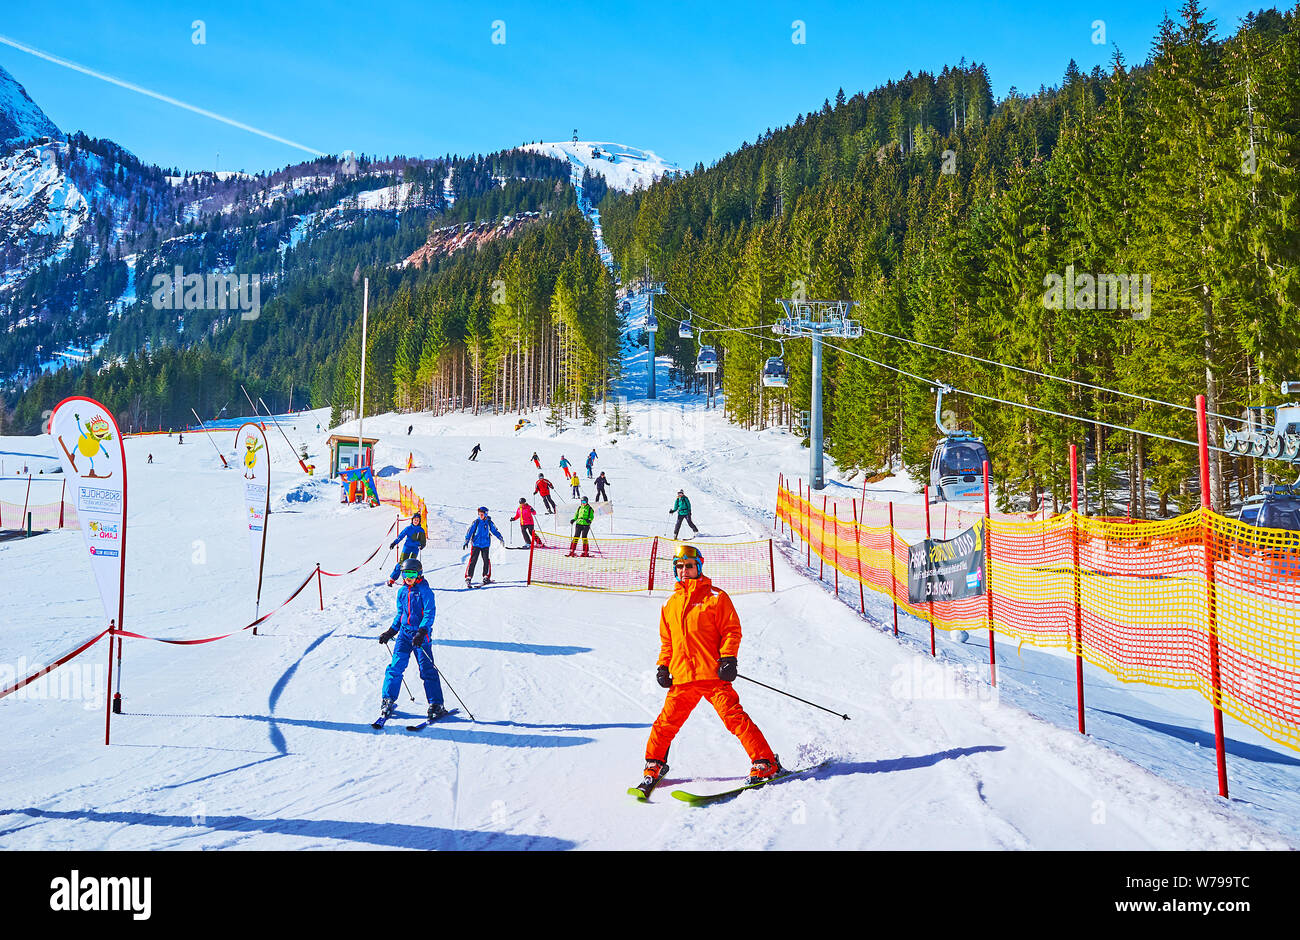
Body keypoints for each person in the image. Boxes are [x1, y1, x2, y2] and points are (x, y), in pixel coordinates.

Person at [634, 544, 780, 794]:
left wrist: (728, 659)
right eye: (679, 566)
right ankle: (654, 766)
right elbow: (668, 641)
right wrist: (663, 666)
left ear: (698, 566)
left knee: (735, 719)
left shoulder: (716, 597)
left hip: (713, 675)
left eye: (689, 566)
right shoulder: (671, 604)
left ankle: (765, 762)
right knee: (665, 724)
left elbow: (731, 630)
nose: (684, 570)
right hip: (682, 678)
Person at [376, 557, 447, 722]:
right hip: (404, 635)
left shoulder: (425, 591)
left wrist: (422, 631)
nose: (408, 577)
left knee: (427, 670)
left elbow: (430, 612)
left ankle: (436, 704)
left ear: (419, 574)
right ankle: (388, 699)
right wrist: (391, 631)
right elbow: (400, 614)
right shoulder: (402, 591)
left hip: (421, 638)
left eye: (412, 574)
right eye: (406, 573)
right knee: (395, 667)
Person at [463, 506, 505, 586]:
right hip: (476, 544)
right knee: (473, 560)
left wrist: (500, 538)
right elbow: (470, 531)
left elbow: (494, 531)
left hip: (485, 544)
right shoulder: (476, 522)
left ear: (486, 514)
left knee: (486, 560)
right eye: (479, 514)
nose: (480, 516)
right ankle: (469, 576)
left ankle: (486, 576)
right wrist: (466, 540)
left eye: (482, 514)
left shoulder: (489, 522)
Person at [387, 511, 427, 585]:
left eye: (417, 520)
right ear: (412, 520)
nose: (416, 521)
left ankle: (407, 580)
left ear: (419, 521)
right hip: (407, 547)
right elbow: (401, 536)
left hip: (415, 549)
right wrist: (394, 543)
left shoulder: (421, 530)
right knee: (402, 562)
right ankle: (392, 578)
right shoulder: (408, 528)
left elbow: (423, 541)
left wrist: (422, 546)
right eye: (415, 520)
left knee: (411, 565)